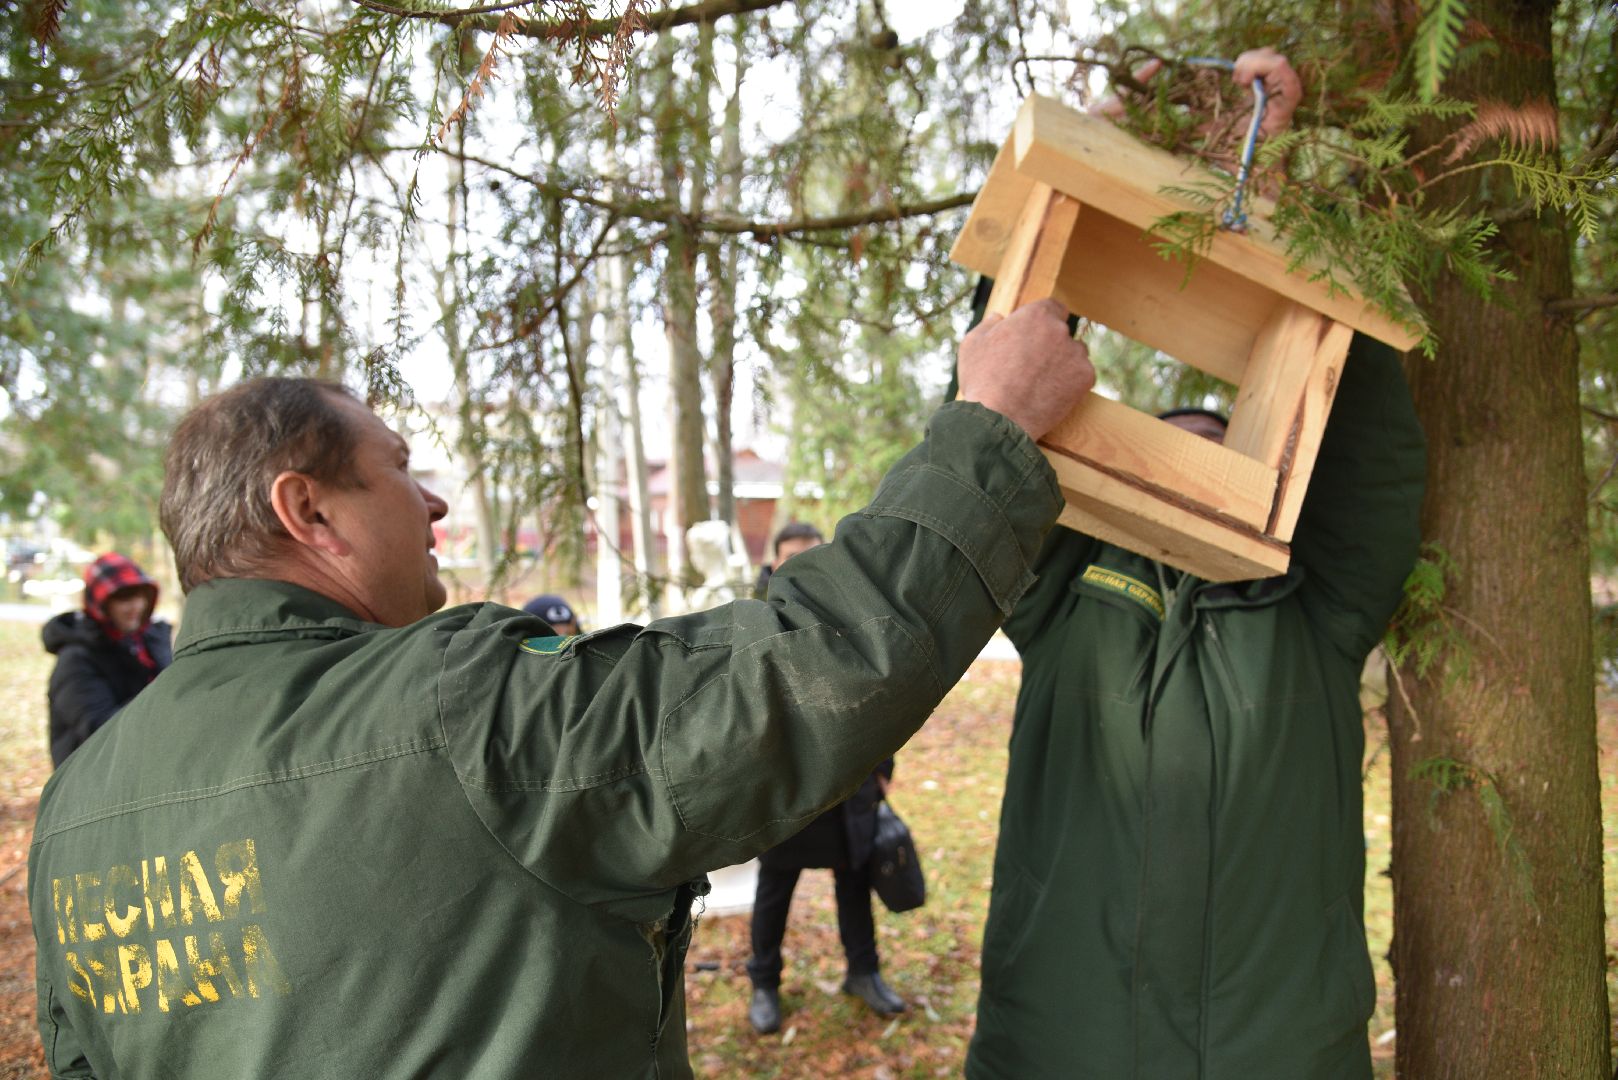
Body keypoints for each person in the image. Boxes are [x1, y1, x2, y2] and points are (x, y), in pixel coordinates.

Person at [28, 298, 1094, 1079]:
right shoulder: (453, 704)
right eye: (399, 467)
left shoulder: (78, 807)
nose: (435, 500)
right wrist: (989, 428)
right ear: (308, 513)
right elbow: (804, 670)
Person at [965, 51, 1426, 1080]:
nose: (1189, 451)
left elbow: (1367, 442)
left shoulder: (1317, 610)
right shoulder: (1059, 596)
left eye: (1216, 437)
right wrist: (1110, 151)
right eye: (1167, 436)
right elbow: (998, 405)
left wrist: (1280, 188)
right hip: (1060, 1045)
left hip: (1276, 1054)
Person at [745, 522, 904, 1034]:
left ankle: (864, 972)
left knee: (854, 879)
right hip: (787, 782)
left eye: (810, 556)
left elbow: (885, 690)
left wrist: (881, 769)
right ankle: (764, 982)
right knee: (775, 889)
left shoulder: (853, 611)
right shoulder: (751, 620)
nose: (799, 566)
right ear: (773, 562)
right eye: (790, 557)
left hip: (849, 773)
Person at [41, 552, 172, 767]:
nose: (136, 607)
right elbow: (101, 730)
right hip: (91, 779)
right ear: (102, 604)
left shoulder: (148, 642)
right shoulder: (76, 660)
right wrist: (163, 688)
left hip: (142, 767)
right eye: (124, 599)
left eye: (141, 596)